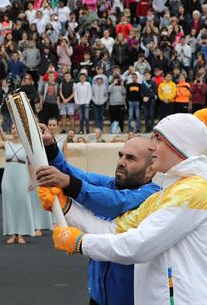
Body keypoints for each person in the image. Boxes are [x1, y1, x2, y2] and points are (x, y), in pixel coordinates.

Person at [46, 109, 207, 304]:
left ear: (177, 146)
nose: (152, 147)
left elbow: (139, 245)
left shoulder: (192, 192)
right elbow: (116, 229)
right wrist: (66, 207)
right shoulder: (168, 192)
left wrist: (81, 242)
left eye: (158, 139)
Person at [36, 127, 160, 305]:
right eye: (121, 155)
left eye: (130, 158)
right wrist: (51, 147)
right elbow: (74, 175)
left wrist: (68, 185)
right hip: (98, 297)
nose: (121, 162)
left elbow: (114, 203)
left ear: (150, 171)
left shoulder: (153, 195)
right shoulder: (112, 184)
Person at [0, 124, 35, 245]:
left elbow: (30, 164)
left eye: (17, 129)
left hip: (23, 178)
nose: (15, 131)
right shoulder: (5, 144)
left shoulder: (27, 146)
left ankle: (21, 234)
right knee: (10, 206)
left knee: (22, 205)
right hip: (8, 178)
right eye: (13, 128)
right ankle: (13, 234)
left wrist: (32, 180)